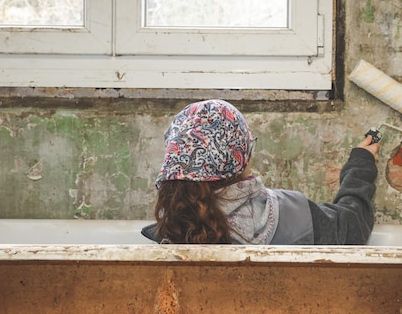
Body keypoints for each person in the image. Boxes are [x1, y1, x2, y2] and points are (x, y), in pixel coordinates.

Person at [141, 99, 380, 245]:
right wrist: (361, 163)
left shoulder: (170, 230)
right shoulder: (293, 214)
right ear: (240, 156)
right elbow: (353, 223)